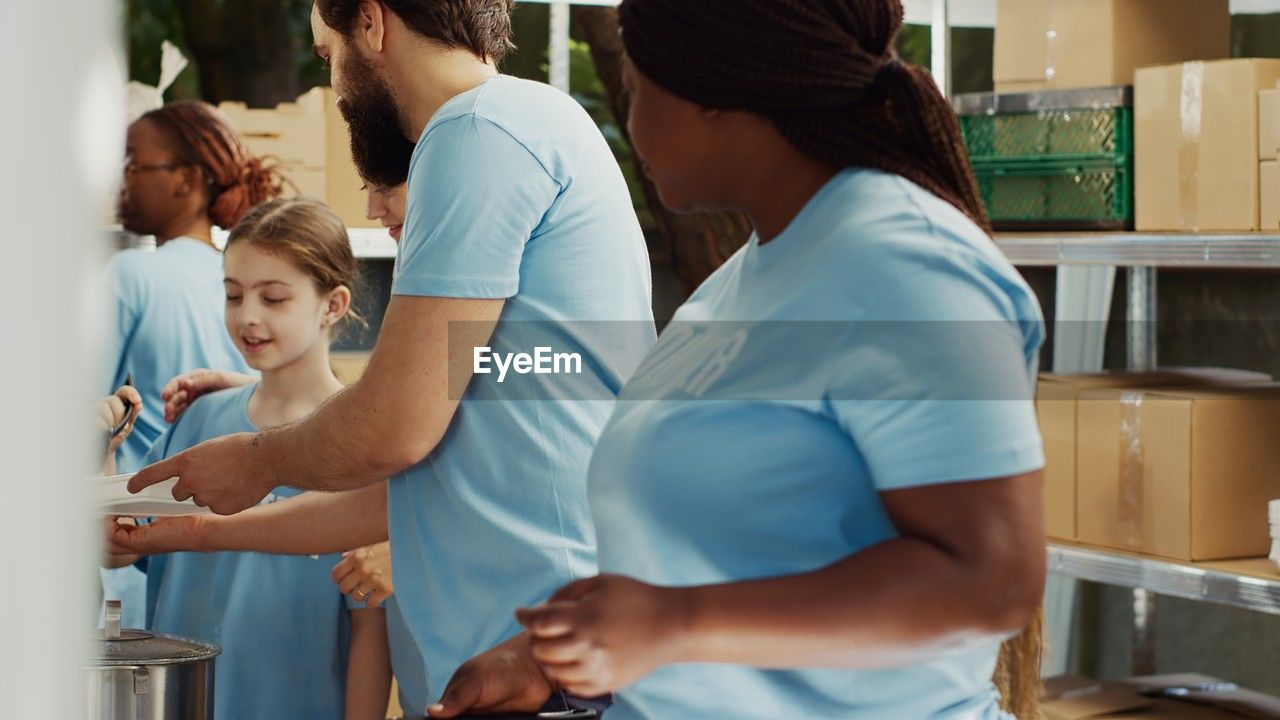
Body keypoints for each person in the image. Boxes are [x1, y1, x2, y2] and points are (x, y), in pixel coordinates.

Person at [429, 1, 1046, 718]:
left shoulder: (907, 266)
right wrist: (556, 659)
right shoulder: (744, 279)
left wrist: (676, 624)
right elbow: (734, 541)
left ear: (715, 91)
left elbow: (991, 580)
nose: (628, 126)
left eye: (637, 90)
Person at [114, 0, 655, 713]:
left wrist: (258, 457)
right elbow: (411, 479)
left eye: (329, 52)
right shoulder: (533, 123)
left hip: (541, 664)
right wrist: (198, 528)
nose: (334, 86)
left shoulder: (474, 129)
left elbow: (394, 426)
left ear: (371, 23)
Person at [108, 199, 392, 720]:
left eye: (274, 298)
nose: (248, 316)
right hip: (179, 703)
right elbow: (122, 549)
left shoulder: (360, 449)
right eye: (234, 295)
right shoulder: (197, 420)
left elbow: (370, 634)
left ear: (332, 305)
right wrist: (106, 460)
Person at [103, 100, 281, 627]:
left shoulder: (132, 274)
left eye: (134, 163)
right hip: (243, 553)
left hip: (138, 550)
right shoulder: (248, 279)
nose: (123, 179)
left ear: (185, 181)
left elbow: (82, 415)